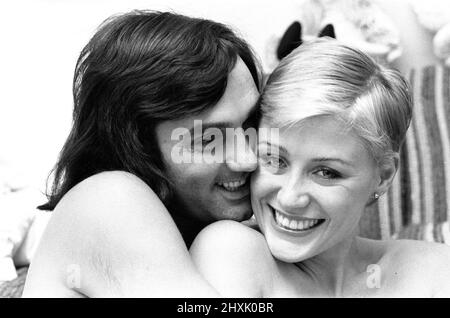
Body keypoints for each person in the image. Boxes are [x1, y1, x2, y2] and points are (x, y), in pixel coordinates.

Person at [23, 10, 261, 297]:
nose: (249, 157)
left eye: (251, 124)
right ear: (137, 144)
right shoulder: (109, 198)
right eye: (209, 139)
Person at [190, 39, 450, 297]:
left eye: (326, 172)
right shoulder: (231, 252)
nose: (290, 198)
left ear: (382, 176)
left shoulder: (434, 270)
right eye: (273, 159)